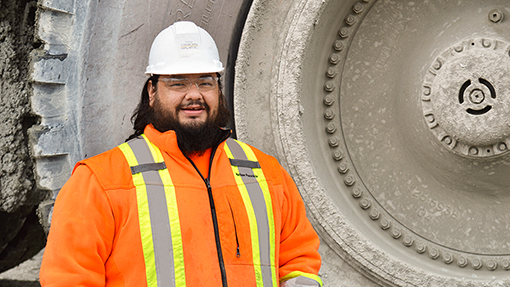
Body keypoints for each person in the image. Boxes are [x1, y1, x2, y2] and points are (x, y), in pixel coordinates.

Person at [39, 21, 322, 287]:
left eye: (205, 81)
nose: (194, 94)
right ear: (152, 91)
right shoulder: (100, 181)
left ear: (218, 90)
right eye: (178, 83)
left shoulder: (266, 173)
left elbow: (299, 261)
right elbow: (68, 277)